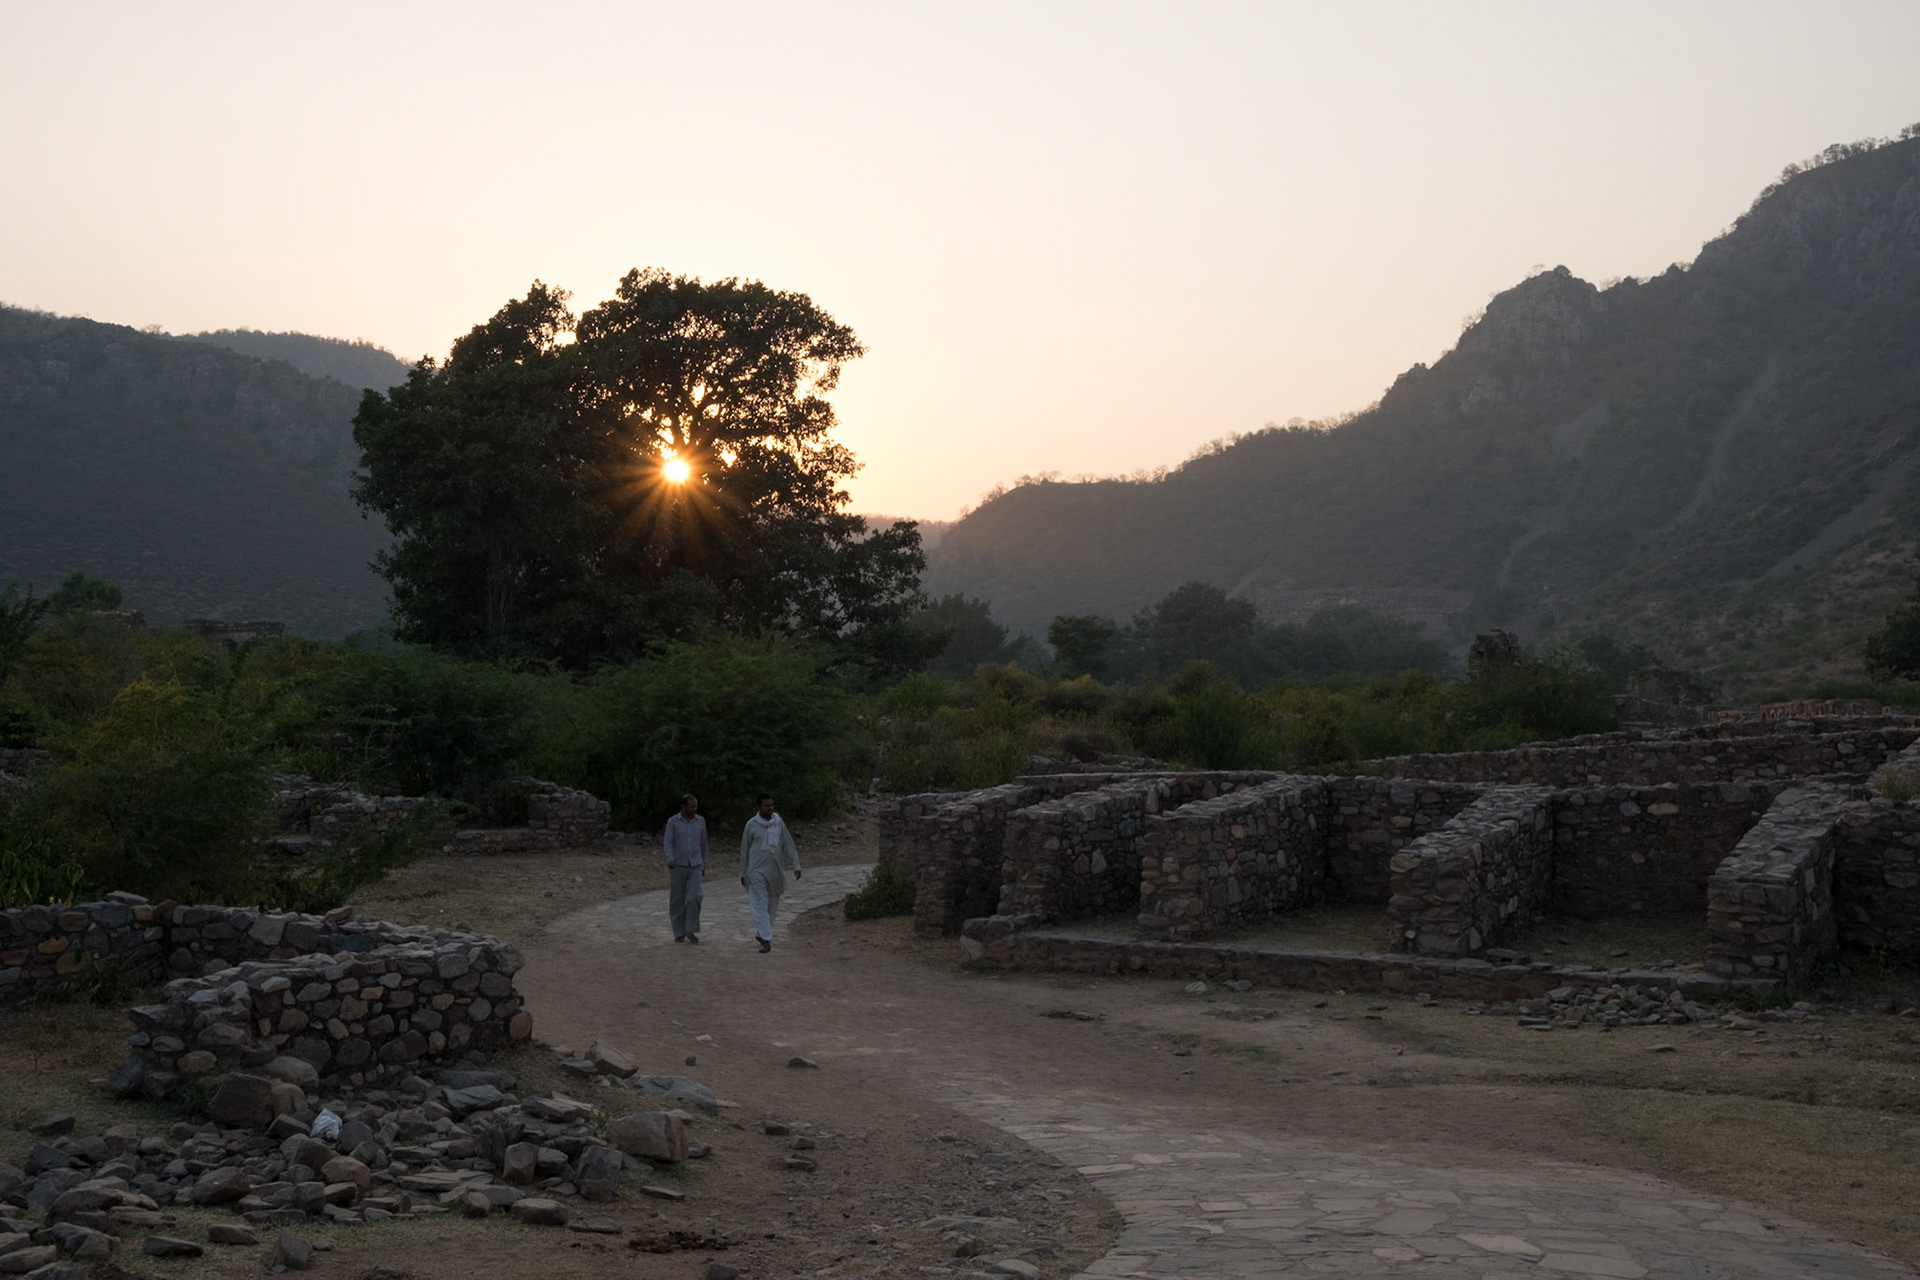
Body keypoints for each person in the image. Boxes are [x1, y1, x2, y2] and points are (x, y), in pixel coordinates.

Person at [738, 792, 802, 953]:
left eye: (771, 805)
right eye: (766, 805)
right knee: (760, 903)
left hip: (774, 871)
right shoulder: (751, 825)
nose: (770, 808)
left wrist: (796, 865)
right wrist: (743, 872)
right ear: (758, 807)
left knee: (772, 905)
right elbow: (744, 850)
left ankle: (762, 933)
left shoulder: (778, 823)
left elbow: (788, 844)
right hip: (755, 871)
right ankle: (766, 939)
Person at [662, 793, 707, 943]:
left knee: (694, 897)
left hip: (695, 864)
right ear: (683, 807)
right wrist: (670, 858)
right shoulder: (673, 822)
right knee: (677, 899)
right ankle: (679, 932)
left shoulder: (700, 821)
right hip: (678, 865)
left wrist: (704, 863)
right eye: (691, 807)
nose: (694, 810)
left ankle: (690, 928)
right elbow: (668, 842)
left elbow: (703, 844)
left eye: (696, 807)